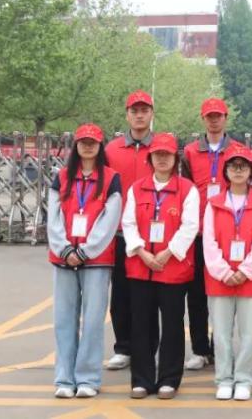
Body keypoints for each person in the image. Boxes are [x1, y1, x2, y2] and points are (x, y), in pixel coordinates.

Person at [121, 133, 199, 400]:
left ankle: (169, 379)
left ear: (175, 158)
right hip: (140, 267)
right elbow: (128, 223)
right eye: (158, 155)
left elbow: (190, 226)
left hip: (173, 268)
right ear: (150, 158)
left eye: (167, 155)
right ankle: (141, 379)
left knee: (173, 325)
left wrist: (167, 253)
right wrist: (141, 251)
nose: (162, 159)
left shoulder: (187, 189)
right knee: (141, 325)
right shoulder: (136, 188)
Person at [48, 124, 122, 399]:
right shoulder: (62, 178)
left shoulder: (112, 179)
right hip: (63, 258)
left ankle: (88, 378)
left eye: (93, 142)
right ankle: (64, 378)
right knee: (64, 320)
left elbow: (110, 220)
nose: (88, 146)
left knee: (92, 321)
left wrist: (85, 251)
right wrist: (65, 248)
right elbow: (53, 217)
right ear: (76, 146)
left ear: (100, 146)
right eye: (83, 142)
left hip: (96, 260)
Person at [202, 142, 252, 402]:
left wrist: (245, 270)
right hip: (219, 279)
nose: (239, 170)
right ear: (226, 171)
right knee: (221, 334)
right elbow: (208, 241)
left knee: (250, 334)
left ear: (251, 171)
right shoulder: (213, 204)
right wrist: (223, 271)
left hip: (251, 279)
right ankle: (223, 378)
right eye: (233, 166)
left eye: (244, 166)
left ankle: (243, 379)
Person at [182, 97, 238, 371]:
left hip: (226, 232)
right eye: (209, 116)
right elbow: (184, 188)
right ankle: (199, 349)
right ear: (203, 119)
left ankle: (220, 347)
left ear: (226, 118)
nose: (214, 120)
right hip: (197, 233)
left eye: (218, 116)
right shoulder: (190, 152)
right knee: (196, 295)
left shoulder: (237, 151)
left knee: (224, 292)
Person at [103, 90, 155, 372]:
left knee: (150, 295)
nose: (139, 115)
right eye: (134, 111)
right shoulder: (111, 150)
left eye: (144, 110)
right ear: (127, 115)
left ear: (151, 114)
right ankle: (123, 347)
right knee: (121, 293)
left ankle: (147, 347)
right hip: (121, 234)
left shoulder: (161, 148)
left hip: (154, 235)